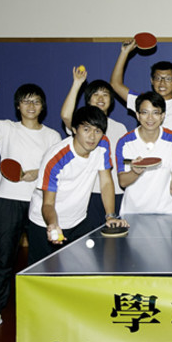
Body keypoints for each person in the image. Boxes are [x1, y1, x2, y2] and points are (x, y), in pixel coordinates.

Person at [0, 79, 61, 335]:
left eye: (36, 101)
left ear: (43, 107)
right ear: (18, 106)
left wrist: (35, 174)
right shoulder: (6, 128)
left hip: (41, 203)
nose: (31, 105)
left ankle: (42, 308)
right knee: (3, 259)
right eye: (26, 100)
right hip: (7, 202)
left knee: (43, 260)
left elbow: (56, 168)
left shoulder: (52, 135)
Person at [28, 106, 128, 264]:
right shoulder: (56, 158)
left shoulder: (103, 145)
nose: (92, 136)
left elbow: (106, 182)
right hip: (45, 223)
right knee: (44, 277)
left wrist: (110, 215)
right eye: (86, 129)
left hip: (79, 221)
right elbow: (47, 203)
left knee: (84, 270)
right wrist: (53, 225)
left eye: (97, 131)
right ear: (74, 129)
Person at [60, 67, 127, 229]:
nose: (100, 98)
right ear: (88, 100)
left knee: (114, 244)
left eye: (105, 95)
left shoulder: (120, 128)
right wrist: (77, 84)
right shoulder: (82, 125)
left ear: (111, 101)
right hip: (88, 194)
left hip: (116, 194)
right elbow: (66, 116)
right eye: (95, 94)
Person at [115, 92, 172, 215]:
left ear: (162, 116)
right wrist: (135, 172)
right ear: (137, 115)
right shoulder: (125, 143)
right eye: (145, 112)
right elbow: (122, 182)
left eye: (155, 113)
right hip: (133, 213)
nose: (150, 118)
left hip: (166, 212)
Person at [109, 38, 172, 131]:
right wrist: (124, 52)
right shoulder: (143, 102)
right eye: (158, 78)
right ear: (152, 81)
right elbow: (115, 84)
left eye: (168, 79)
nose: (162, 83)